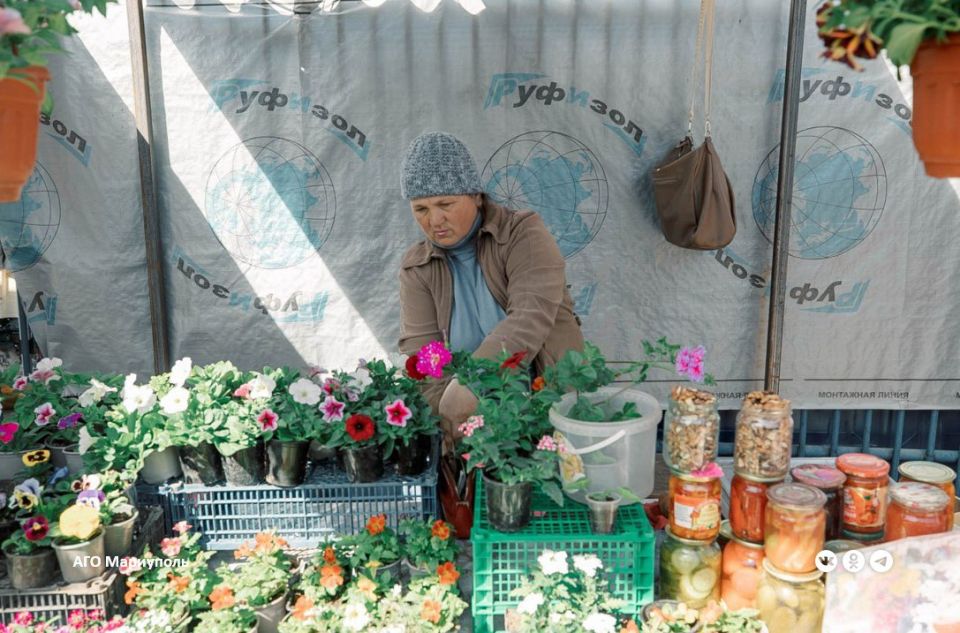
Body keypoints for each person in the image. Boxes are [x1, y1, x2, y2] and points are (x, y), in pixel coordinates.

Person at [397, 131, 584, 440]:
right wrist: (447, 416)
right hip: (464, 418)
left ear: (476, 196)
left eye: (446, 203)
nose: (435, 220)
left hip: (546, 403)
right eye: (422, 209)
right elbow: (423, 354)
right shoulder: (417, 267)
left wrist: (473, 382)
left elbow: (529, 317)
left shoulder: (523, 234)